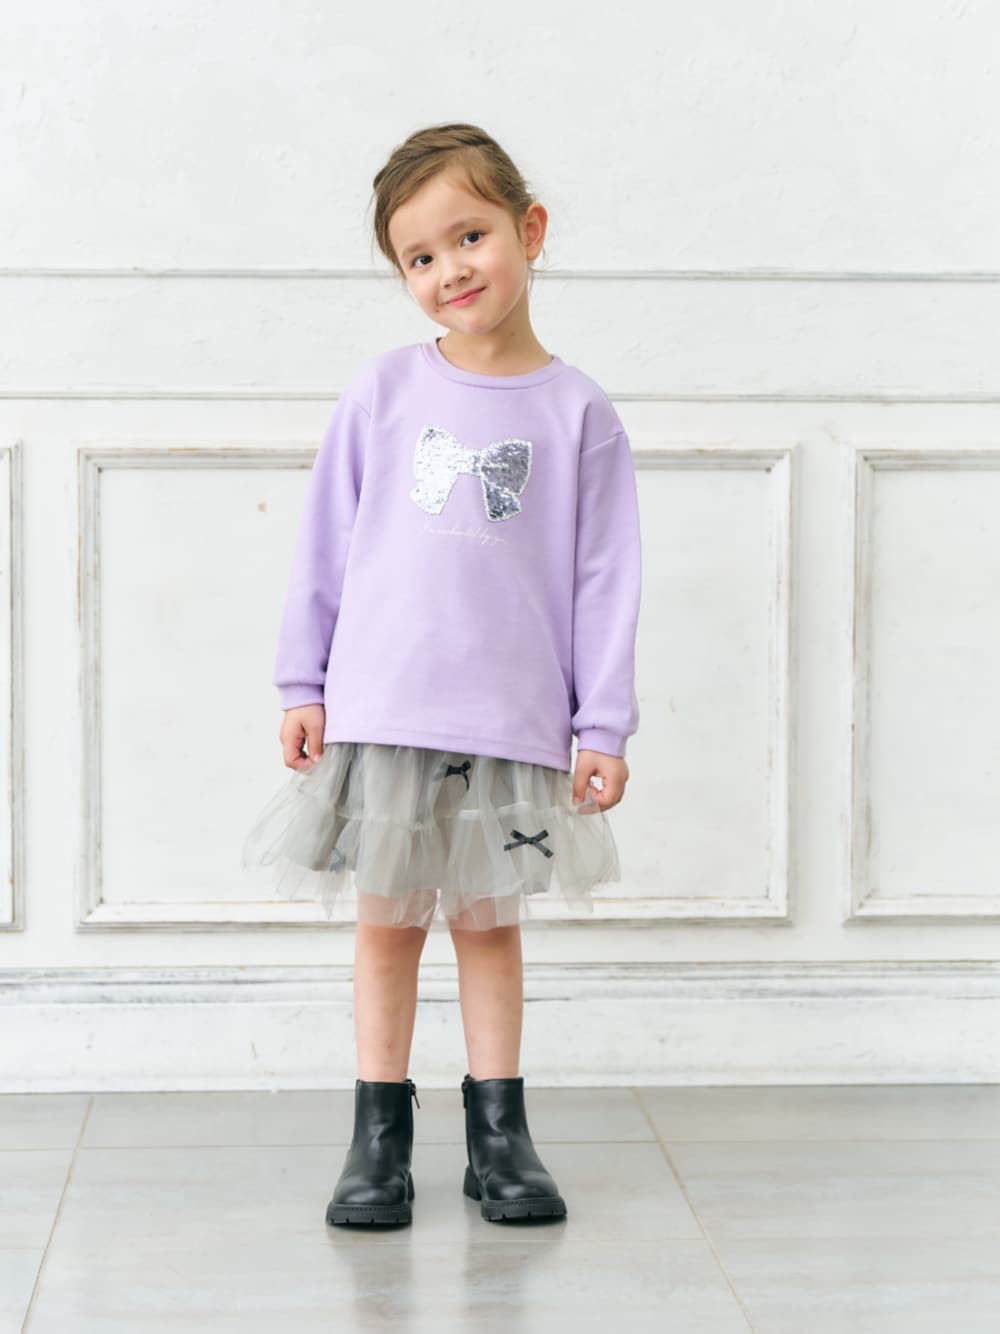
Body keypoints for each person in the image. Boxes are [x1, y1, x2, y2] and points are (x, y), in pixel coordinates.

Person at [242, 122, 642, 1227]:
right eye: (419, 257)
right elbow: (324, 542)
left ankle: (500, 1136)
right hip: (384, 710)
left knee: (487, 925)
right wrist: (303, 683)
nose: (449, 270)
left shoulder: (577, 412)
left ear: (529, 228)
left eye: (469, 236)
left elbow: (605, 577)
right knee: (386, 924)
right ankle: (378, 1138)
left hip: (508, 718)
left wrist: (603, 724)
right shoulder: (383, 391)